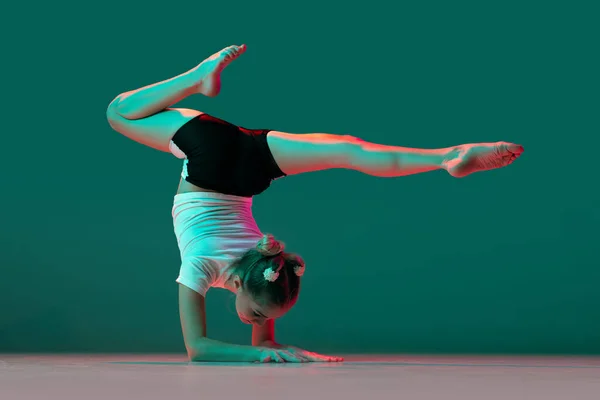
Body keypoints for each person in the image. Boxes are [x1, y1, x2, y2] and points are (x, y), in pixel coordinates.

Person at [106, 44, 524, 364]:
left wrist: (268, 351)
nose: (254, 322)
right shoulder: (223, 271)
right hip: (212, 161)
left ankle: (446, 155)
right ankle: (445, 158)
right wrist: (267, 351)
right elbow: (203, 347)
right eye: (257, 317)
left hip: (249, 162)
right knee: (118, 113)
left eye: (256, 318)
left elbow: (221, 345)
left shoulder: (264, 265)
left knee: (347, 149)